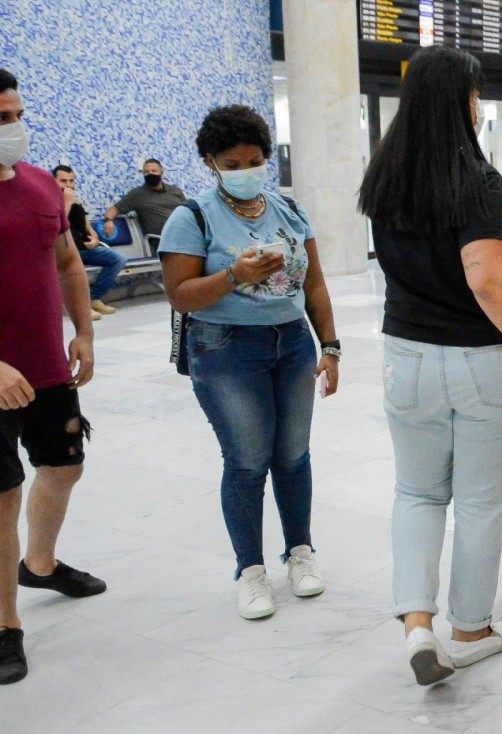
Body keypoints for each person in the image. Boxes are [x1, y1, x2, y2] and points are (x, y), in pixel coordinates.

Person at [359, 46, 502, 687]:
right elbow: (487, 280)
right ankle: (470, 630)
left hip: (405, 357)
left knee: (417, 493)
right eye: (476, 95)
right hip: (482, 364)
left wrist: (500, 221)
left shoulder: (386, 175)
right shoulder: (474, 179)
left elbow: (439, 241)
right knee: (481, 503)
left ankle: (417, 627)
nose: (480, 106)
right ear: (460, 102)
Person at [158, 105, 340, 621]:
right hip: (226, 348)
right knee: (246, 460)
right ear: (211, 163)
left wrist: (330, 346)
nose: (246, 171)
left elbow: (315, 283)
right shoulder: (191, 217)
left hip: (292, 343)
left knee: (294, 455)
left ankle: (300, 552)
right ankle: (251, 570)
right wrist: (234, 276)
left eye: (255, 161)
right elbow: (180, 294)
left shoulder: (290, 210)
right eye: (233, 164)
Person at [0, 68, 104, 686]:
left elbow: (67, 263)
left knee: (63, 468)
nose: (13, 128)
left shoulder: (40, 184)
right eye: (1, 119)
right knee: (2, 495)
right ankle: (5, 624)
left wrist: (84, 331)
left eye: (16, 116)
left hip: (45, 368)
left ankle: (38, 564)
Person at [53, 165, 127, 319]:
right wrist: (67, 203)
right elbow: (57, 226)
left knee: (118, 259)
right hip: (63, 251)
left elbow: (89, 228)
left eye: (71, 181)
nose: (68, 185)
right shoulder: (49, 201)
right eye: (63, 181)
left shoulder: (77, 201)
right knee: (74, 267)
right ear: (54, 181)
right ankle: (82, 306)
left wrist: (95, 239)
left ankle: (94, 298)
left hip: (83, 248)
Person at [102, 157, 186, 247]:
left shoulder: (175, 191)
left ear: (162, 172)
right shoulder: (137, 194)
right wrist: (108, 221)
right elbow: (114, 209)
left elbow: (188, 211)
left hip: (185, 235)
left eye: (154, 171)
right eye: (146, 172)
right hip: (163, 241)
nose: (150, 174)